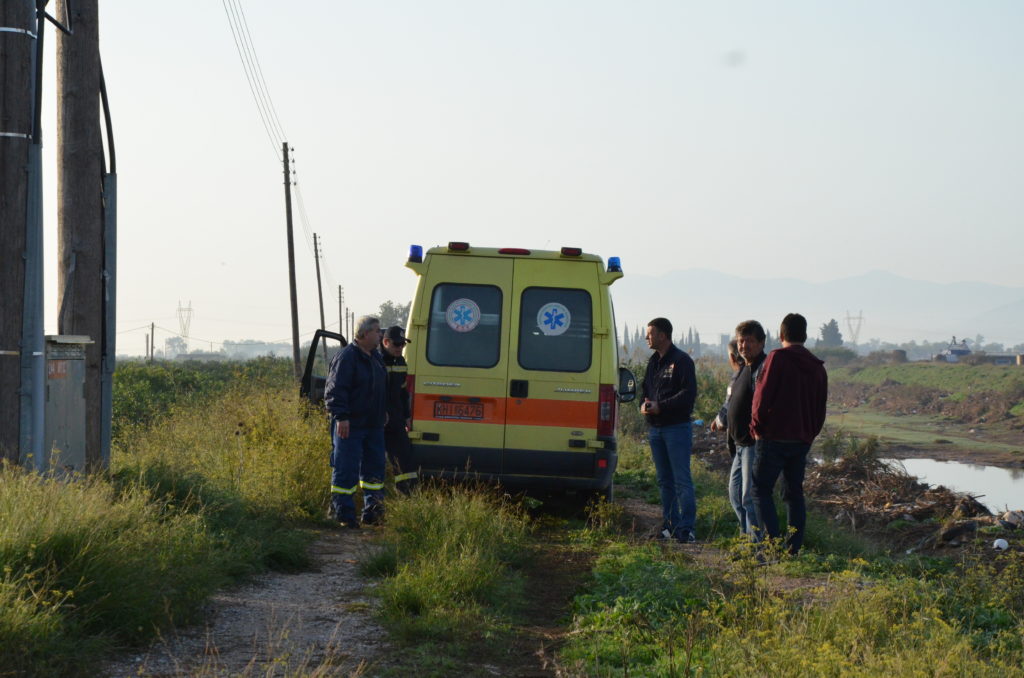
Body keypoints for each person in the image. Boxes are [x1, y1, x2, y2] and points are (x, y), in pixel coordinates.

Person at [750, 313, 828, 555]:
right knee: (794, 494)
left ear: (781, 334)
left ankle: (771, 544)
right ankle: (793, 548)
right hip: (800, 439)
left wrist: (756, 427)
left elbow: (761, 397)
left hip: (773, 437)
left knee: (761, 490)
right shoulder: (817, 366)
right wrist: (809, 434)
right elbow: (820, 408)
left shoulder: (777, 358)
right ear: (805, 335)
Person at [324, 316, 387, 528]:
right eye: (377, 331)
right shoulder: (347, 358)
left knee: (374, 471)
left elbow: (380, 388)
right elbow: (335, 391)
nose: (381, 335)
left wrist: (383, 411)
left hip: (374, 426)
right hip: (350, 425)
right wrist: (341, 417)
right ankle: (343, 515)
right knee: (346, 469)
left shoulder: (376, 358)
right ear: (364, 334)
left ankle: (373, 513)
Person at [641, 317, 698, 543]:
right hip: (656, 430)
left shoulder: (682, 361)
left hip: (676, 429)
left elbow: (687, 394)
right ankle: (670, 525)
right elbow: (646, 389)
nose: (647, 337)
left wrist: (661, 406)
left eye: (650, 333)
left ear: (663, 335)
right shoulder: (653, 362)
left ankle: (687, 528)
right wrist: (644, 404)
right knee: (664, 481)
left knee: (682, 480)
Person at [726, 321, 768, 538]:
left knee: (748, 497)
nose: (743, 346)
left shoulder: (763, 369)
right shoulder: (745, 368)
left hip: (753, 443)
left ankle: (757, 545)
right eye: (741, 341)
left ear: (761, 343)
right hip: (740, 444)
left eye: (749, 341)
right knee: (735, 495)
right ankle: (746, 539)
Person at [380, 325, 418, 495]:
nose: (400, 348)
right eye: (397, 344)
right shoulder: (375, 361)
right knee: (374, 461)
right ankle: (374, 500)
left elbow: (403, 393)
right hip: (377, 421)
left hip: (396, 420)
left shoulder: (401, 362)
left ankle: (406, 495)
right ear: (385, 342)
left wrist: (407, 417)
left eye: (403, 344)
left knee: (405, 460)